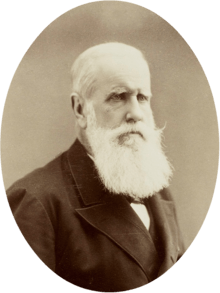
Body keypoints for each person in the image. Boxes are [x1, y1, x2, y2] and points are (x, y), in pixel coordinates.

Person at [6, 42, 185, 292]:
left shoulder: (158, 191)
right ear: (80, 109)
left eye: (142, 97)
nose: (136, 113)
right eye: (118, 97)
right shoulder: (36, 201)